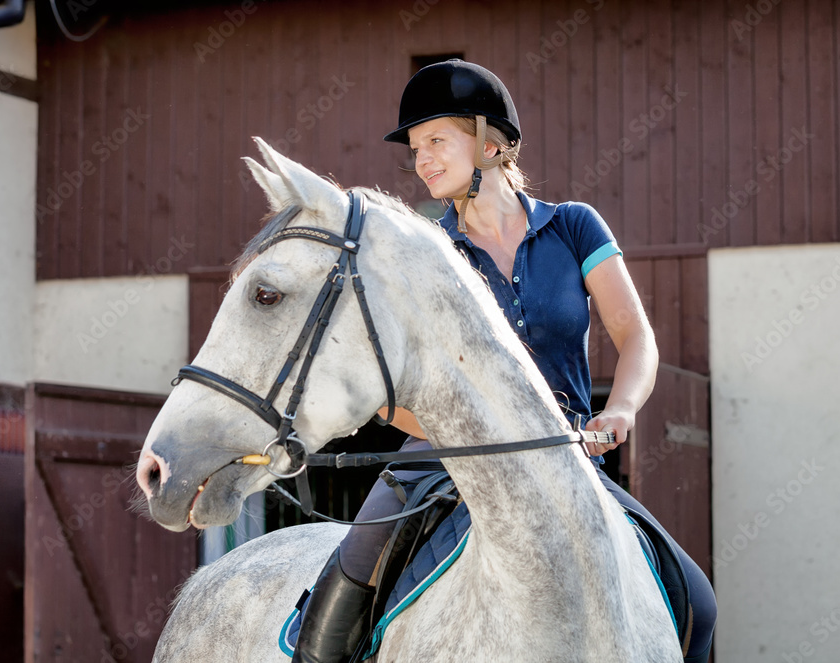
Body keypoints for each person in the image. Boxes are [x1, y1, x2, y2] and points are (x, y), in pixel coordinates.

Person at [292, 59, 716, 663]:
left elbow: (635, 337)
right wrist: (461, 430)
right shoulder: (428, 253)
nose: (423, 160)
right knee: (347, 581)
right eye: (415, 148)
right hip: (441, 461)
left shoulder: (573, 228)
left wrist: (618, 410)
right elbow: (390, 398)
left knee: (698, 605)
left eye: (437, 140)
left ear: (493, 143)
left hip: (567, 457)